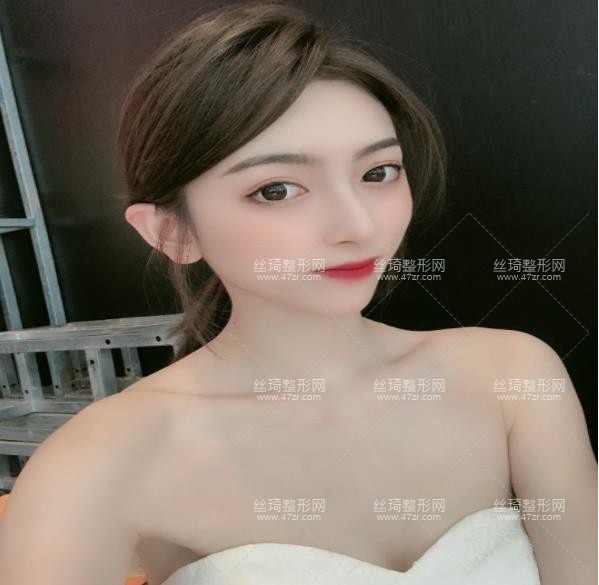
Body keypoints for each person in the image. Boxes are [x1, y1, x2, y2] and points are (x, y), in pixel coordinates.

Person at [0, 2, 595, 584]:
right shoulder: (95, 464)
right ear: (172, 231)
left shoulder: (512, 377)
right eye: (277, 190)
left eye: (378, 173)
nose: (358, 225)